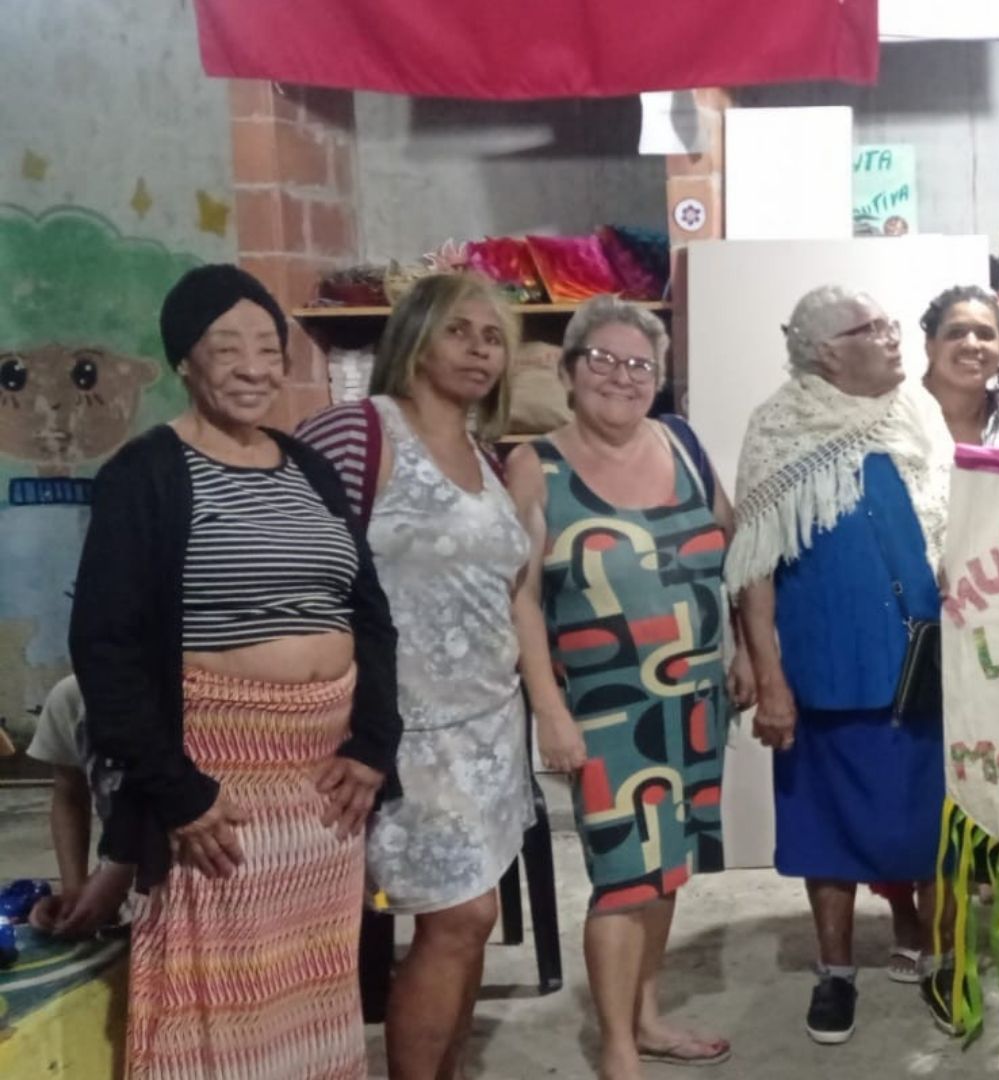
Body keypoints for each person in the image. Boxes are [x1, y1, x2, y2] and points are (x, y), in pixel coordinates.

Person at [69, 263, 400, 1078]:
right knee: (219, 998)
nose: (255, 367)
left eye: (268, 346)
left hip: (323, 793)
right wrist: (175, 788)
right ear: (184, 359)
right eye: (228, 348)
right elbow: (104, 645)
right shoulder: (145, 474)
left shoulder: (307, 467)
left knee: (312, 989)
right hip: (216, 786)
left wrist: (373, 740)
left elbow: (370, 612)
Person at [296, 273, 535, 1080]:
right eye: (459, 331)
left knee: (472, 912)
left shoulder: (489, 455)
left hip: (488, 725)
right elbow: (297, 564)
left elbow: (510, 591)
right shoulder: (359, 433)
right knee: (457, 914)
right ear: (415, 338)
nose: (479, 349)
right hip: (402, 727)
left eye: (493, 336)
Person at [507, 295, 743, 1077]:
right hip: (609, 709)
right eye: (601, 360)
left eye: (639, 364)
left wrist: (740, 649)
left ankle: (645, 1017)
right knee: (620, 875)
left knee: (666, 865)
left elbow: (729, 548)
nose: (620, 376)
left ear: (660, 380)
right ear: (570, 371)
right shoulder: (535, 464)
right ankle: (615, 1048)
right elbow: (522, 597)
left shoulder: (682, 444)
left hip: (698, 700)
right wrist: (548, 708)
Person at [727, 286, 955, 1045]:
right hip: (827, 666)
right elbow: (754, 568)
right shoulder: (779, 428)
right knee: (824, 831)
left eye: (892, 323)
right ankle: (835, 972)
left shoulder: (915, 413)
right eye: (872, 329)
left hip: (924, 660)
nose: (893, 337)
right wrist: (770, 680)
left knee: (934, 824)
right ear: (827, 351)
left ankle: (942, 956)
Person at [25, 675, 135, 938]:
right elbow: (69, 794)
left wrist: (119, 873)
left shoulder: (193, 693)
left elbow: (188, 807)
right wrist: (74, 890)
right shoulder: (71, 697)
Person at [919, 284, 999, 449]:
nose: (971, 345)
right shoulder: (893, 418)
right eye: (956, 333)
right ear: (930, 347)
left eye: (985, 335)